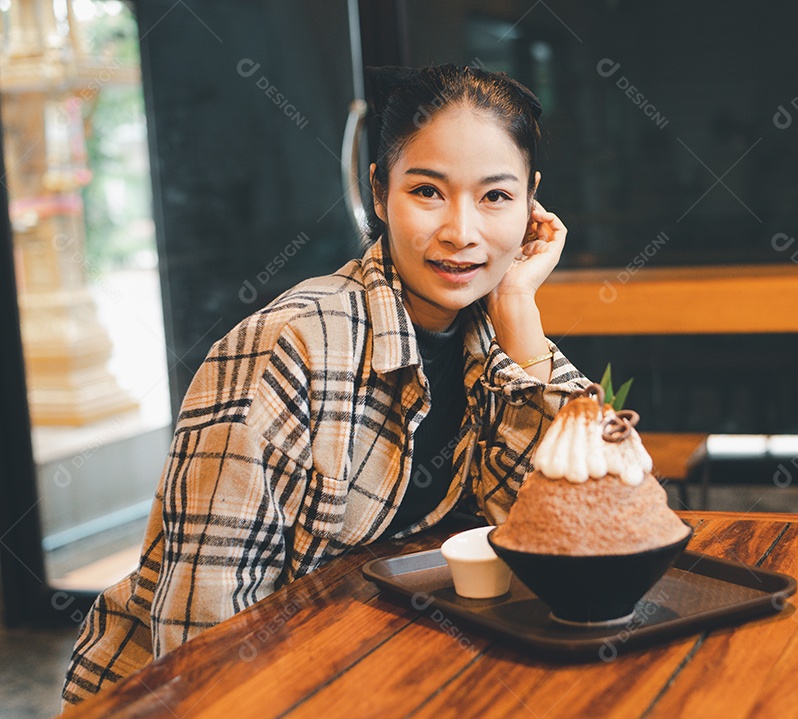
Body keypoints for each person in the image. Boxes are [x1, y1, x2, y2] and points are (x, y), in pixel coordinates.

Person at [61, 63, 589, 707]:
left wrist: (520, 316)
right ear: (378, 191)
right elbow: (202, 632)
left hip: (371, 670)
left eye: (496, 197)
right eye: (427, 191)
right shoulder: (295, 344)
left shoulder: (489, 335)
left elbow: (576, 540)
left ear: (532, 202)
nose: (461, 231)